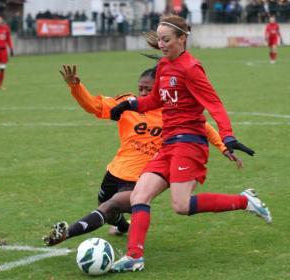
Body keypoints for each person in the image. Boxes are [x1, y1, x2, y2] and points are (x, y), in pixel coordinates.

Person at [110, 15, 272, 272]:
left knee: (181, 206)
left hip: (190, 142)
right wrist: (130, 104)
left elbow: (214, 104)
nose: (162, 44)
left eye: (166, 40)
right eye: (159, 39)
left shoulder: (191, 68)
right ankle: (134, 256)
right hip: (168, 143)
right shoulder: (163, 66)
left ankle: (245, 201)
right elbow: (155, 100)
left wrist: (227, 136)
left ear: (182, 39)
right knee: (140, 194)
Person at [42, 64, 243, 247]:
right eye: (141, 88)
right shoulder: (128, 105)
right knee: (107, 209)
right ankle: (123, 226)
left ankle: (67, 234)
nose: (143, 93)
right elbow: (94, 106)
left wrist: (224, 148)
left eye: (149, 89)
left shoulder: (172, 112)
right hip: (115, 171)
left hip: (142, 179)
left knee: (110, 205)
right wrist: (76, 87)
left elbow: (204, 128)